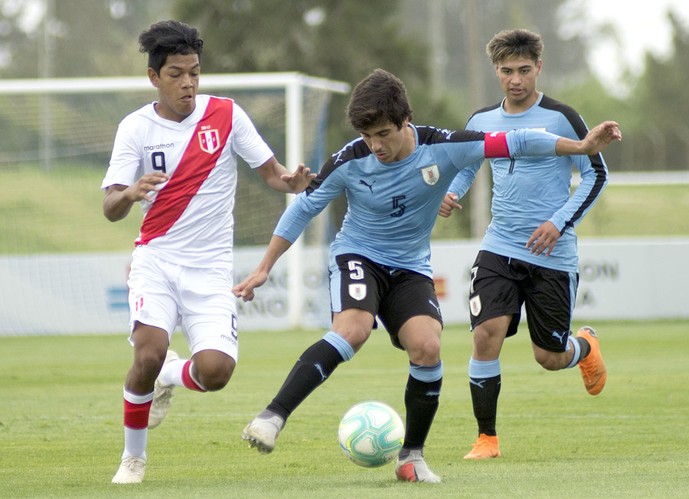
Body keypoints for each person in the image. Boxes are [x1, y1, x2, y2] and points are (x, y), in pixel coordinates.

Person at [233, 68, 620, 483]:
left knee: (428, 346)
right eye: (367, 136)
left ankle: (411, 458)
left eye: (383, 133)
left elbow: (520, 141)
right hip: (358, 255)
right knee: (353, 330)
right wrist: (263, 268)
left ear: (405, 121)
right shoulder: (350, 160)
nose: (375, 145)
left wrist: (578, 147)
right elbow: (303, 209)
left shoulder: (445, 147)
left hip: (411, 267)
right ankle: (273, 416)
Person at [102, 20, 315, 485]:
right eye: (176, 74)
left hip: (210, 268)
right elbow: (110, 207)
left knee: (216, 372)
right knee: (148, 352)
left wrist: (294, 183)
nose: (188, 84)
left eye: (195, 72)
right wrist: (131, 192)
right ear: (154, 77)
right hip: (155, 261)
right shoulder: (135, 128)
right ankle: (132, 458)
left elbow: (273, 175)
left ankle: (169, 377)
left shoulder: (227, 115)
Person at [439, 29, 610, 461]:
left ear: (538, 67)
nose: (515, 79)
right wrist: (451, 191)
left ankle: (584, 346)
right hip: (500, 246)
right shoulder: (481, 121)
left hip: (552, 253)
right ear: (496, 71)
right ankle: (487, 439)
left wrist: (558, 222)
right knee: (485, 337)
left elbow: (596, 174)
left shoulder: (561, 117)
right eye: (506, 71)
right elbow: (466, 162)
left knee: (548, 357)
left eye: (523, 70)